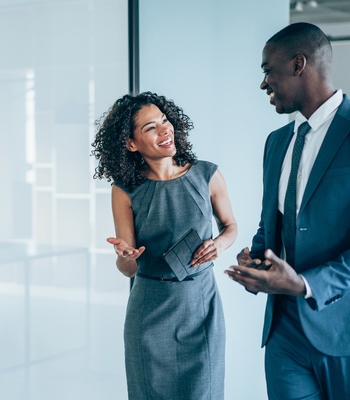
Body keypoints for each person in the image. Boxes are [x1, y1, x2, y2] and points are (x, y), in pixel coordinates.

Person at [225, 22, 350, 400]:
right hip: (283, 333)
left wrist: (304, 284)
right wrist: (257, 261)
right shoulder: (277, 143)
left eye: (267, 70)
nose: (263, 83)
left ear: (299, 64)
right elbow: (272, 222)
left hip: (343, 330)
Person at [91, 92, 237, 399]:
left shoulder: (206, 174)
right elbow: (127, 267)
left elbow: (231, 227)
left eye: (165, 121)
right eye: (150, 128)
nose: (165, 130)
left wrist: (220, 244)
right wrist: (126, 256)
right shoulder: (125, 190)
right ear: (130, 144)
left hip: (200, 306)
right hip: (150, 311)